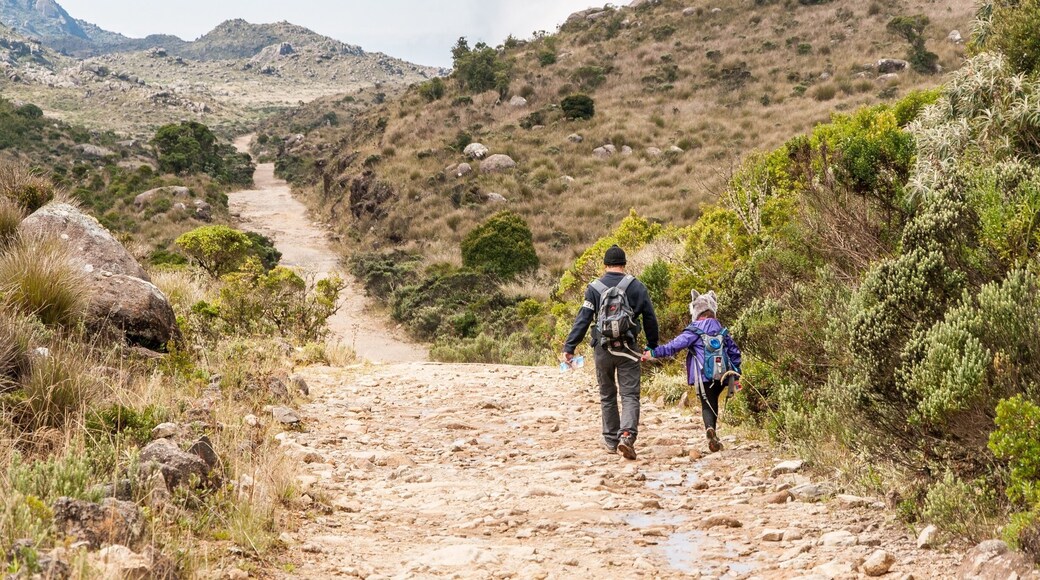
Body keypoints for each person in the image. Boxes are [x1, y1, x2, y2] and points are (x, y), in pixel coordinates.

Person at [563, 245, 659, 460]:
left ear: (605, 265)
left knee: (607, 395)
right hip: (628, 349)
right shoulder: (637, 287)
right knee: (630, 395)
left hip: (602, 349)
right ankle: (626, 435)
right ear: (624, 264)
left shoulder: (594, 288)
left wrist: (570, 347)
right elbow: (651, 318)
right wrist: (652, 345)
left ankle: (610, 440)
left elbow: (583, 319)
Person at [642, 289, 742, 453]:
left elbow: (673, 346)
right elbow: (735, 353)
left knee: (707, 403)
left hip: (703, 375)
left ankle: (710, 430)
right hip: (723, 375)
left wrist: (653, 353)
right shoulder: (722, 330)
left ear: (695, 310)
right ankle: (712, 432)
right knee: (714, 400)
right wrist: (736, 375)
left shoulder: (694, 330)